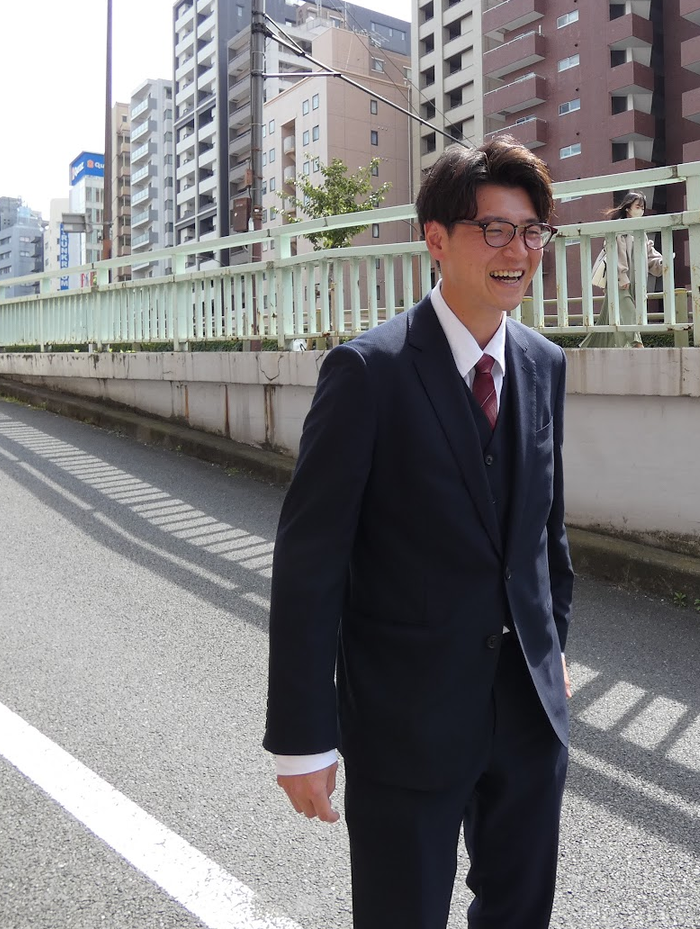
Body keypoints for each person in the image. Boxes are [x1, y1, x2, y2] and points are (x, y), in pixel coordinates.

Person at [265, 135, 575, 929]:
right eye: (495, 230)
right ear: (436, 240)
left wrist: (553, 650)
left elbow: (546, 532)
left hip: (526, 718)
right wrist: (304, 738)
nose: (518, 252)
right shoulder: (369, 372)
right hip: (406, 721)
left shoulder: (543, 364)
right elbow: (310, 563)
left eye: (532, 231)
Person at [580, 191, 667, 348]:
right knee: (627, 309)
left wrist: (663, 262)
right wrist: (621, 276)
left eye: (642, 208)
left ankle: (593, 349)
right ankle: (636, 343)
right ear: (627, 208)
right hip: (618, 279)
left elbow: (650, 255)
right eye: (637, 207)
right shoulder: (618, 229)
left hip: (634, 280)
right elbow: (615, 254)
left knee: (610, 317)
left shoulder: (641, 232)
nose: (641, 211)